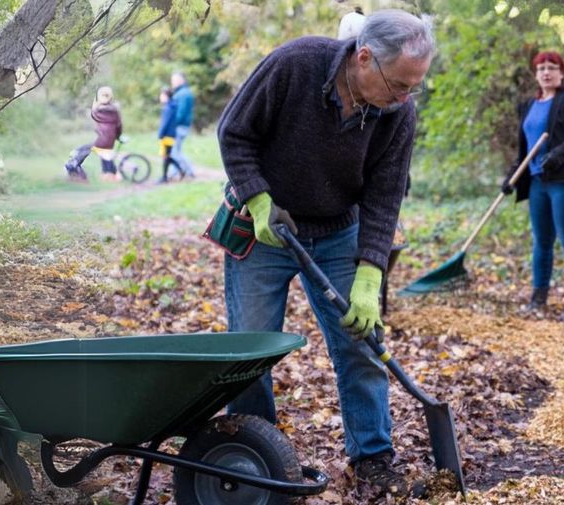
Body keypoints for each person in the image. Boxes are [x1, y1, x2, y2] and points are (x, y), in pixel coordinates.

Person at [216, 9, 433, 497]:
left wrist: (369, 275)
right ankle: (254, 453)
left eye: (413, 87)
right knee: (250, 346)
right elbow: (234, 132)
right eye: (399, 84)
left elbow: (385, 194)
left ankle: (373, 456)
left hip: (339, 231)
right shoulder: (295, 65)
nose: (404, 97)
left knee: (360, 343)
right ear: (363, 58)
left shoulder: (398, 112)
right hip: (267, 226)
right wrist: (258, 197)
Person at [501, 51, 564, 317]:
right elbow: (525, 150)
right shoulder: (528, 105)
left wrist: (559, 154)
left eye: (552, 67)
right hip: (536, 182)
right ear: (535, 74)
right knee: (541, 242)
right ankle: (538, 297)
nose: (546, 72)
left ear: (562, 72)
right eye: (541, 68)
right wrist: (512, 176)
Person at [63, 86, 122, 182]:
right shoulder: (115, 110)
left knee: (83, 150)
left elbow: (93, 115)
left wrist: (96, 102)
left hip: (101, 139)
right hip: (110, 139)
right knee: (104, 154)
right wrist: (117, 136)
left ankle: (74, 167)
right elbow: (119, 125)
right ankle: (111, 174)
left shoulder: (97, 110)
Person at [169, 71, 196, 178]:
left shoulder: (183, 94)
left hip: (179, 127)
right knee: (176, 151)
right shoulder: (182, 92)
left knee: (174, 151)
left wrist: (171, 125)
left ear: (181, 80)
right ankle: (174, 173)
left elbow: (180, 113)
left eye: (174, 80)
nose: (172, 82)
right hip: (182, 126)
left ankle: (188, 170)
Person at [157, 86, 178, 182]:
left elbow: (164, 123)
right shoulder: (172, 106)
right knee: (167, 155)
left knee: (165, 156)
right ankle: (181, 170)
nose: (160, 97)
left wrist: (160, 134)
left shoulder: (168, 108)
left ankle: (164, 178)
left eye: (161, 95)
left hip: (166, 136)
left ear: (166, 96)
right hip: (172, 135)